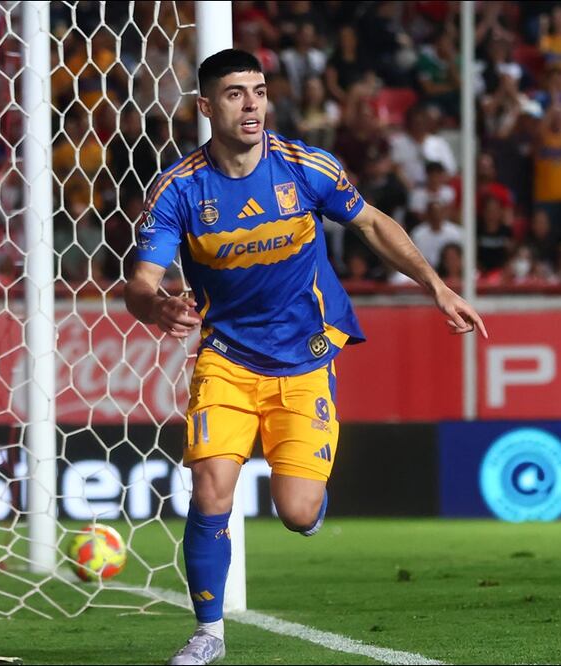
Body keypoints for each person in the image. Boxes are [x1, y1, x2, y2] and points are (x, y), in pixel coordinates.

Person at [124, 49, 486, 665]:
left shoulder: (305, 166)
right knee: (211, 487)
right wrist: (152, 304)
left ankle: (309, 504)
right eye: (236, 93)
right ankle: (208, 632)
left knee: (297, 512)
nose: (252, 104)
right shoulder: (179, 188)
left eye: (259, 91)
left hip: (306, 355)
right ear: (207, 107)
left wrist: (437, 287)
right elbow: (141, 280)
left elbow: (371, 224)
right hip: (227, 359)